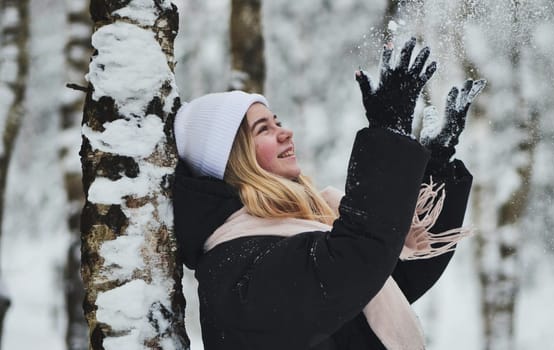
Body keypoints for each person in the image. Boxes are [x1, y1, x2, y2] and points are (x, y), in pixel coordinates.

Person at [173, 37, 485, 350]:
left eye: (277, 122)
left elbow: (390, 278)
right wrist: (388, 134)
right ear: (232, 160)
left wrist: (437, 164)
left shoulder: (295, 232)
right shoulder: (233, 267)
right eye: (263, 130)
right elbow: (358, 258)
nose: (285, 132)